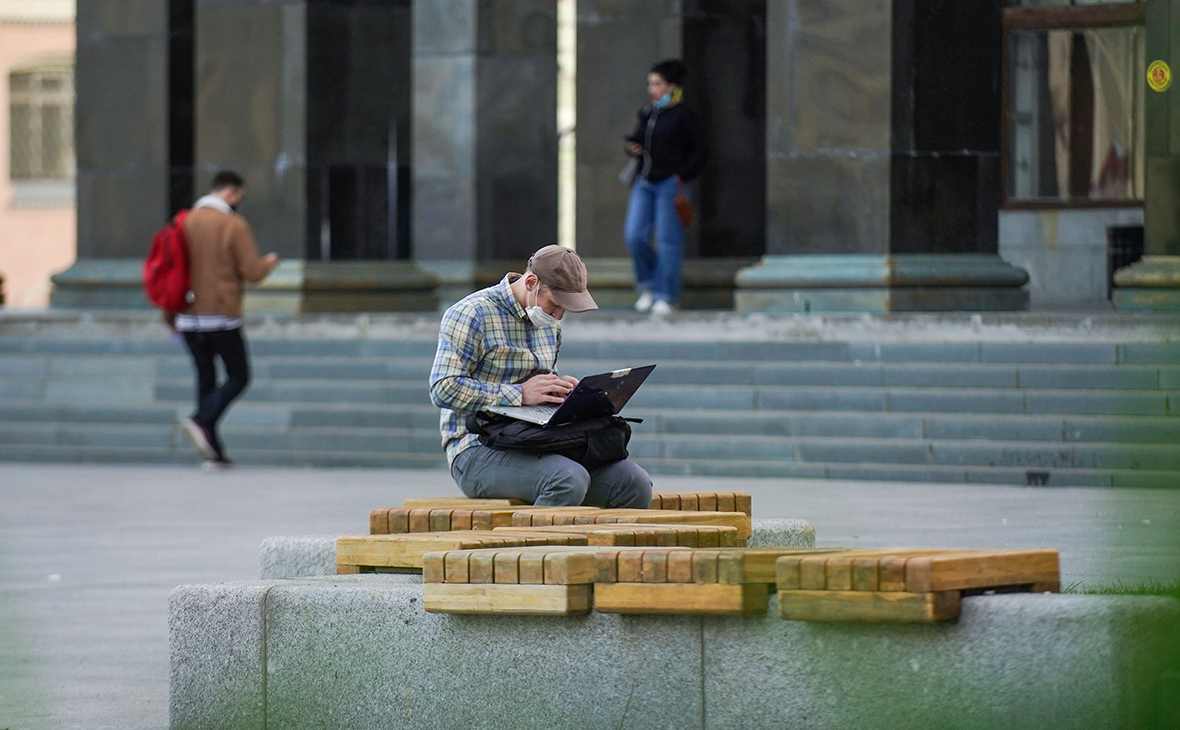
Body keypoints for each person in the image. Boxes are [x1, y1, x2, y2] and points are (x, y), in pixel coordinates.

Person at [429, 245, 653, 508]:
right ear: (532, 282)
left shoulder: (550, 324)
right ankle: (534, 549)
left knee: (634, 483)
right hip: (474, 448)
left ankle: (606, 550)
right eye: (555, 305)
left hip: (535, 440)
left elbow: (540, 390)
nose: (559, 316)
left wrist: (563, 393)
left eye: (566, 310)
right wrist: (520, 394)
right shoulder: (471, 313)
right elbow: (442, 389)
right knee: (567, 480)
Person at [177, 171, 280, 466]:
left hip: (187, 315)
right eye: (240, 197)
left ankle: (213, 449)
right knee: (239, 375)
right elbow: (252, 272)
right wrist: (269, 263)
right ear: (232, 193)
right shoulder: (232, 224)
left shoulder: (185, 221)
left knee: (206, 377)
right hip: (221, 315)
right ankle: (200, 420)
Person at [623, 58, 708, 316]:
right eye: (650, 83)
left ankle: (666, 295)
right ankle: (648, 284)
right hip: (644, 182)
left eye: (657, 83)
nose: (652, 88)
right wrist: (632, 148)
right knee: (634, 235)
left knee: (668, 240)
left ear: (671, 87)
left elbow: (701, 151)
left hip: (670, 185)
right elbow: (639, 140)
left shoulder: (683, 116)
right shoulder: (647, 113)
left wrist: (681, 175)